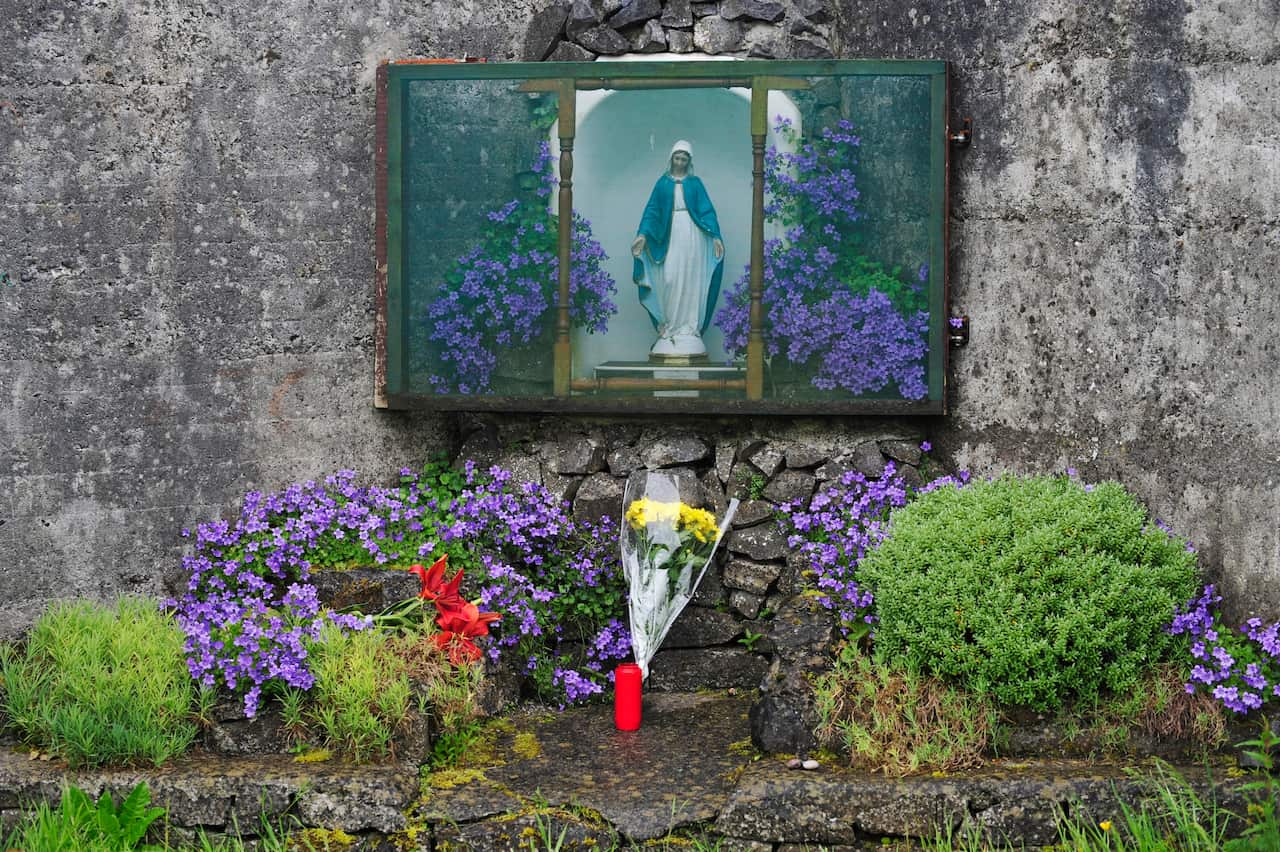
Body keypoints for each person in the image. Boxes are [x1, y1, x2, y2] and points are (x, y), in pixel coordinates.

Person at [631, 140, 725, 360]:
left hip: (693, 236)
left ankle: (688, 328)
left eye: (684, 158)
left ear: (689, 161)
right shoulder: (662, 183)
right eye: (677, 158)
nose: (680, 162)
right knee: (671, 277)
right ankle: (670, 326)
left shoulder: (695, 183)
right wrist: (643, 234)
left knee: (691, 279)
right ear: (671, 158)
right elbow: (652, 211)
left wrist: (716, 236)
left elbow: (707, 212)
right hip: (669, 234)